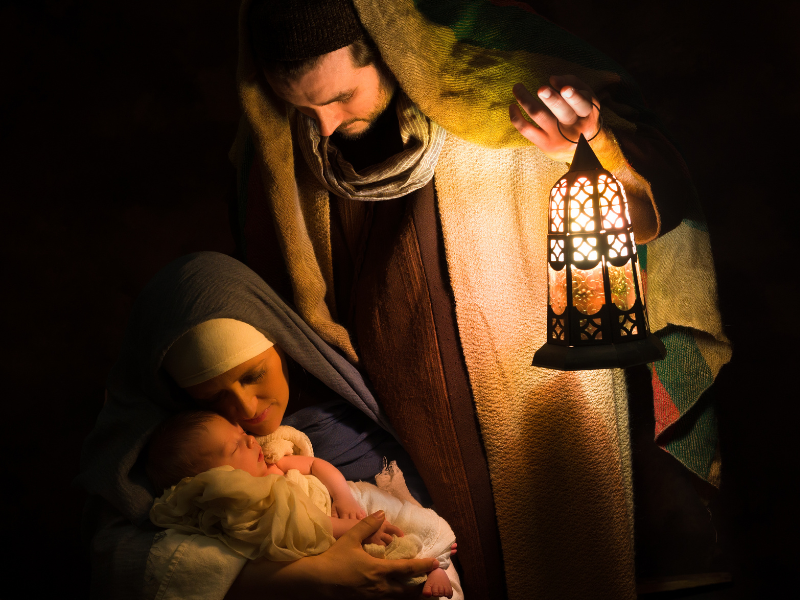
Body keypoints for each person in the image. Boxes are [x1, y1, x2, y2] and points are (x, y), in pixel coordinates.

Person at [228, 1, 731, 599]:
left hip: (533, 390)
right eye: (304, 106)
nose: (326, 125)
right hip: (402, 414)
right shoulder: (289, 149)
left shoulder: (506, 79)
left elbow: (649, 200)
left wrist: (592, 139)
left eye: (340, 98)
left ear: (389, 48)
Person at [78, 252, 443, 599]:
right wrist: (312, 578)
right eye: (210, 398)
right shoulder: (182, 446)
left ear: (280, 340)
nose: (245, 409)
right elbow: (127, 564)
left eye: (253, 375)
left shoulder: (352, 405)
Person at [145, 407, 458, 598]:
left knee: (415, 520)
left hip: (353, 502)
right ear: (213, 482)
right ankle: (421, 570)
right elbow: (307, 524)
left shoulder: (274, 464)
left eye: (243, 432)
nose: (252, 439)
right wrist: (354, 529)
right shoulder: (243, 513)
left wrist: (342, 495)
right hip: (338, 534)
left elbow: (315, 466)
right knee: (388, 559)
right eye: (236, 447)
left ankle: (437, 562)